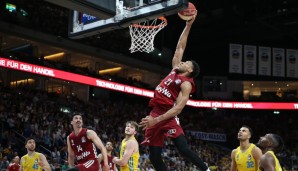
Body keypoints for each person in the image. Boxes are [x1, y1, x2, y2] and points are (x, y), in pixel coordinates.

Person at [139, 12, 209, 171]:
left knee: (183, 149)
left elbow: (178, 108)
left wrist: (156, 121)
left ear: (190, 70)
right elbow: (180, 47)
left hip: (168, 114)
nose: (182, 61)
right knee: (154, 157)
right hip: (156, 112)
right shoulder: (175, 69)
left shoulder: (187, 84)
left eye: (186, 62)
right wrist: (188, 25)